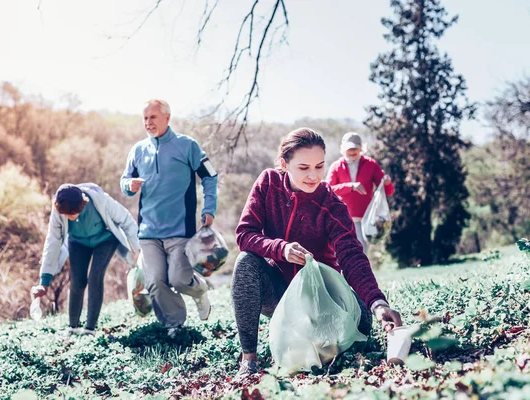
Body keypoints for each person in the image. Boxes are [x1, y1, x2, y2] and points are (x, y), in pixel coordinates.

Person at [232, 128, 402, 379]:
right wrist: (281, 248)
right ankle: (249, 359)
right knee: (245, 262)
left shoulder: (331, 204)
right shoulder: (268, 184)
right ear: (284, 164)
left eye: (319, 166)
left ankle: (319, 336)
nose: (313, 176)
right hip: (279, 294)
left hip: (321, 299)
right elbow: (245, 234)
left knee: (363, 321)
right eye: (303, 168)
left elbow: (352, 255)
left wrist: (377, 302)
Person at [120, 99, 218, 338]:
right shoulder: (138, 150)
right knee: (154, 281)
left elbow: (210, 176)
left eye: (153, 117)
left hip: (180, 230)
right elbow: (124, 182)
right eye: (145, 118)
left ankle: (200, 291)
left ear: (167, 117)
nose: (148, 123)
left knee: (179, 279)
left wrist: (209, 208)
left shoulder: (187, 146)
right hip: (148, 231)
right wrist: (129, 186)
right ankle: (174, 325)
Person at [31, 183, 141, 336]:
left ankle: (90, 329)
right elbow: (53, 242)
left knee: (95, 277)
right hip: (78, 243)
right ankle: (73, 327)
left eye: (72, 213)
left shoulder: (101, 200)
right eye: (66, 214)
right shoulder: (59, 210)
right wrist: (44, 281)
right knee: (77, 281)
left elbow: (126, 219)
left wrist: (137, 246)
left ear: (82, 204)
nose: (68, 217)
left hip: (105, 240)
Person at [326, 132, 394, 253]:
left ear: (361, 148)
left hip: (364, 219)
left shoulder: (371, 164)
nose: (352, 152)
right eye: (349, 149)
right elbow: (328, 189)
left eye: (355, 149)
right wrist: (350, 186)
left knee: (360, 253)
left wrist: (387, 183)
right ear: (343, 149)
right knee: (341, 254)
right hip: (341, 218)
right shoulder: (336, 166)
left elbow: (387, 191)